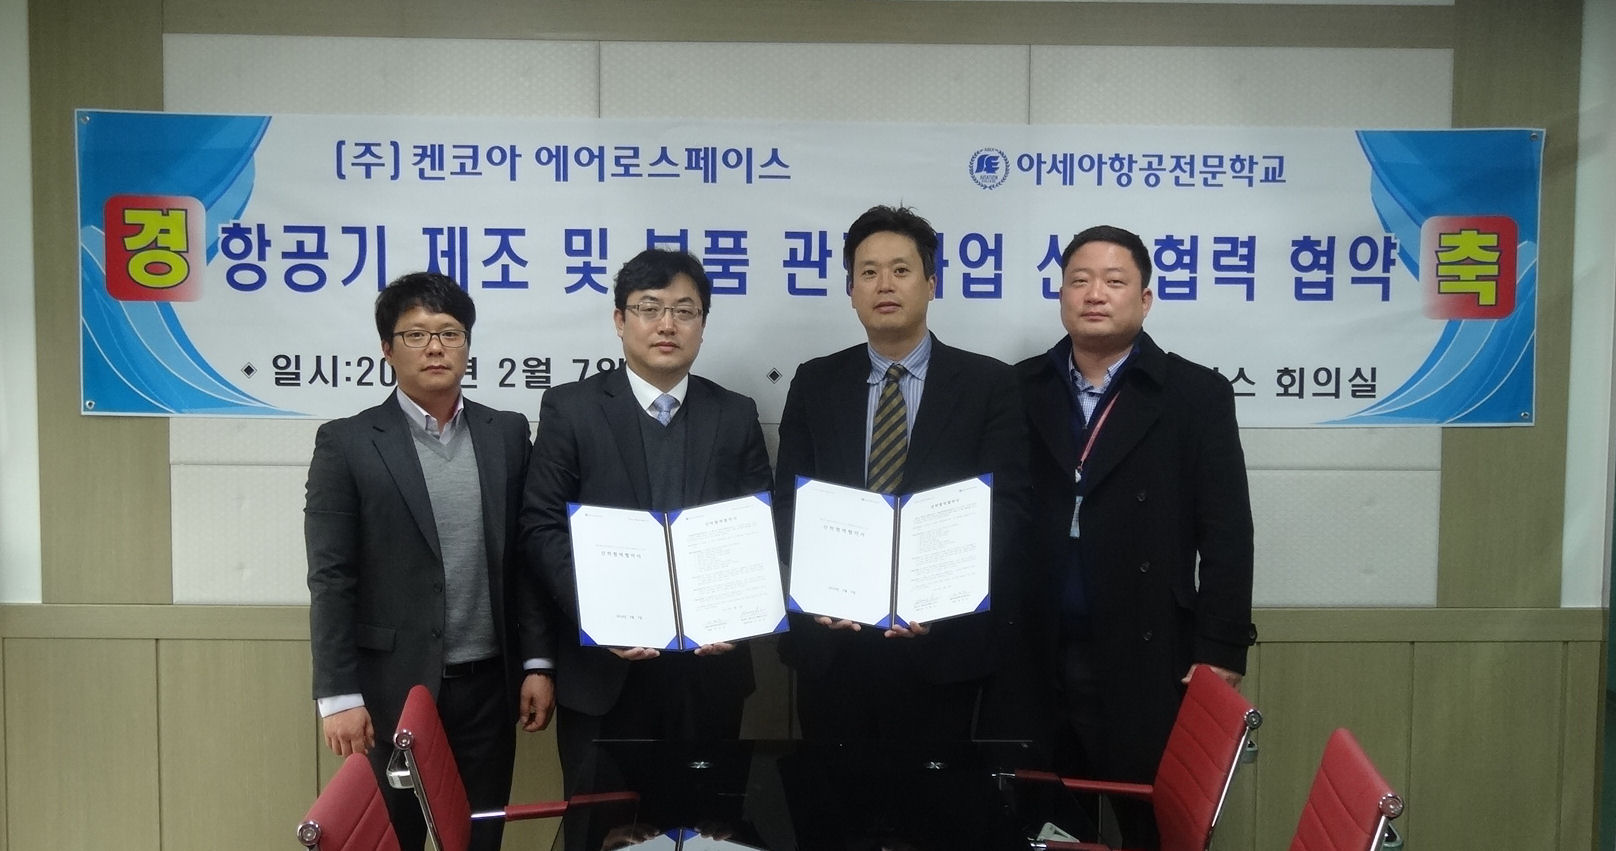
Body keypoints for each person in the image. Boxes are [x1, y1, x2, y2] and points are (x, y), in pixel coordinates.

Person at [1017, 224, 1256, 847]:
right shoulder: (1019, 389)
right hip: (1036, 649)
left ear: (1145, 299)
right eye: (1079, 280)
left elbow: (1227, 530)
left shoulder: (1195, 394)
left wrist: (1221, 646)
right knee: (1044, 825)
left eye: (1114, 281)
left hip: (1146, 651)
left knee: (1152, 824)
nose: (1095, 294)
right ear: (1061, 295)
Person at [305, 271, 555, 851]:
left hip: (489, 689)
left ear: (467, 344)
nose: (435, 347)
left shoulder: (506, 433)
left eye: (449, 333)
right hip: (390, 690)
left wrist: (537, 662)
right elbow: (331, 577)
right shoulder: (347, 443)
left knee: (477, 838)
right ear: (387, 349)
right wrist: (338, 696)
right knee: (392, 840)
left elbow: (527, 560)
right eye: (416, 335)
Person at [772, 204, 1030, 741]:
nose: (884, 284)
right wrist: (822, 591)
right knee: (831, 788)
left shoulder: (988, 385)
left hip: (944, 642)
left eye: (901, 270)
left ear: (931, 283)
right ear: (851, 290)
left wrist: (941, 597)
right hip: (834, 643)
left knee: (938, 790)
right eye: (868, 272)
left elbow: (1006, 506)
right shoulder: (815, 382)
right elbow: (791, 503)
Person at [520, 248, 772, 791]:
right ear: (620, 320)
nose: (667, 325)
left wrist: (736, 617)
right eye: (649, 308)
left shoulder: (735, 414)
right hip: (603, 674)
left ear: (703, 323)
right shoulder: (571, 408)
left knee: (707, 821)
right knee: (603, 823)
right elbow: (541, 526)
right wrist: (599, 615)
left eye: (684, 311)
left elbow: (758, 529)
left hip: (710, 674)